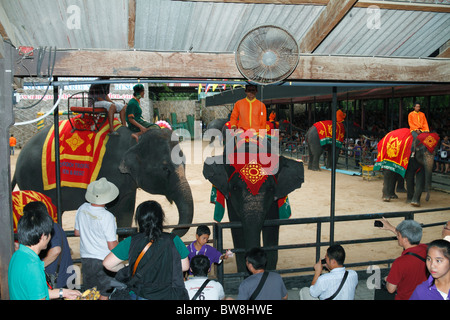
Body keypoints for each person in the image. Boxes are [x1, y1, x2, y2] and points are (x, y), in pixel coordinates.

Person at [103, 200, 190, 300]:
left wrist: (126, 268)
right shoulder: (173, 239)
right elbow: (185, 266)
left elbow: (107, 264)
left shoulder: (131, 241)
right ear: (161, 218)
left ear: (139, 219)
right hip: (168, 294)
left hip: (141, 294)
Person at [8, 201, 81, 300]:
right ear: (43, 236)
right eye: (49, 233)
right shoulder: (33, 267)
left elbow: (38, 293)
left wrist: (63, 292)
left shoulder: (17, 255)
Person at [74, 177, 119, 300]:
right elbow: (111, 245)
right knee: (105, 293)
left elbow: (77, 232)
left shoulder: (82, 208)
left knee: (90, 293)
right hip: (103, 260)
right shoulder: (107, 216)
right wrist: (121, 249)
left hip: (86, 259)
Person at [375, 218, 428, 300]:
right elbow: (409, 238)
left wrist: (387, 279)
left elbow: (391, 289)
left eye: (398, 235)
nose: (397, 236)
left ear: (405, 239)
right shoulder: (427, 250)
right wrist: (390, 227)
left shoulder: (400, 263)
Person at [41, 220, 77, 289]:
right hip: (68, 277)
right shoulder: (57, 226)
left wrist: (39, 266)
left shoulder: (45, 228)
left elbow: (56, 250)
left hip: (57, 281)